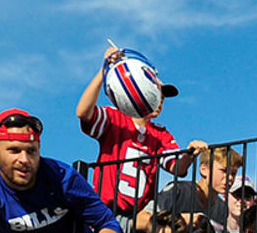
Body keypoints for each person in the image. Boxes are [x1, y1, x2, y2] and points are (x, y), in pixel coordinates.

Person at [76, 46, 205, 222]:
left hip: (139, 220)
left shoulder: (160, 134)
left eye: (163, 98)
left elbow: (177, 168)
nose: (160, 101)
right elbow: (83, 112)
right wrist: (103, 70)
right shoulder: (115, 119)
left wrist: (190, 155)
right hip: (106, 211)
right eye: (156, 94)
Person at [140, 145, 243, 233]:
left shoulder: (222, 209)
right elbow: (138, 221)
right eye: (224, 171)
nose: (230, 178)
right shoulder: (178, 190)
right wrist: (181, 219)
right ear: (203, 169)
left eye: (234, 173)